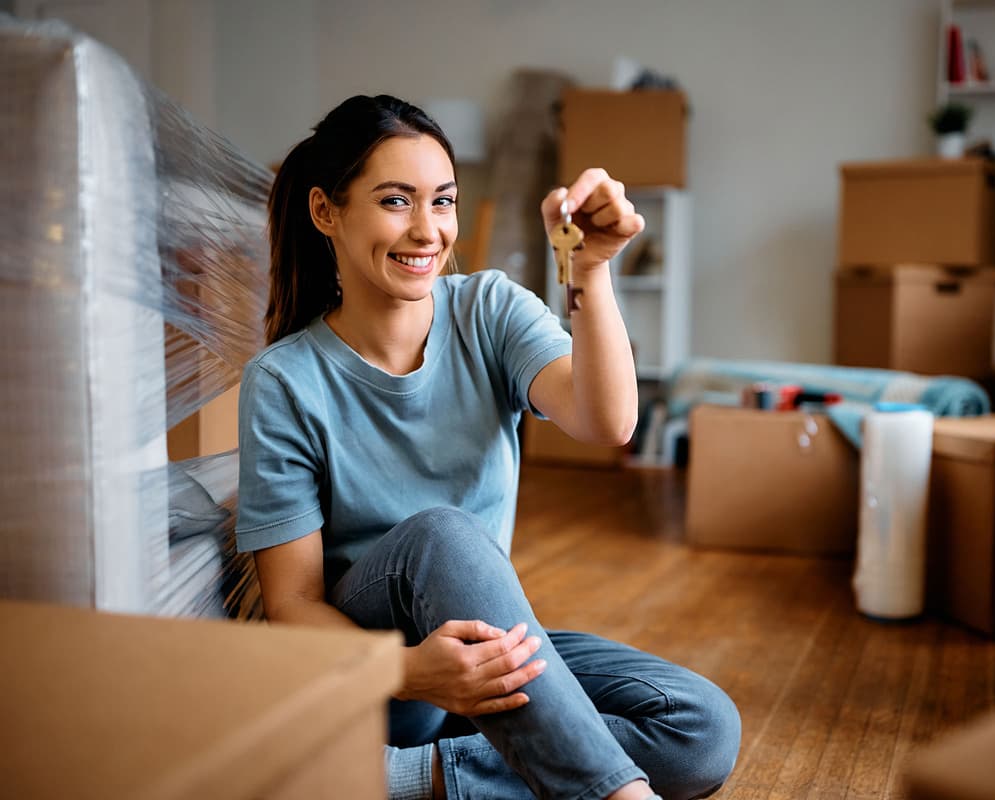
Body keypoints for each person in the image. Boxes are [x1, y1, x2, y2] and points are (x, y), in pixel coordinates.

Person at [235, 94, 740, 800]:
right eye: (394, 201)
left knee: (700, 728)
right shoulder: (285, 381)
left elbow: (607, 422)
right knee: (441, 536)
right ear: (326, 212)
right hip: (383, 683)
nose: (426, 230)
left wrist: (590, 272)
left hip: (481, 649)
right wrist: (414, 671)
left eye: (442, 202)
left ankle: (414, 782)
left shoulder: (489, 309)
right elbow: (291, 606)